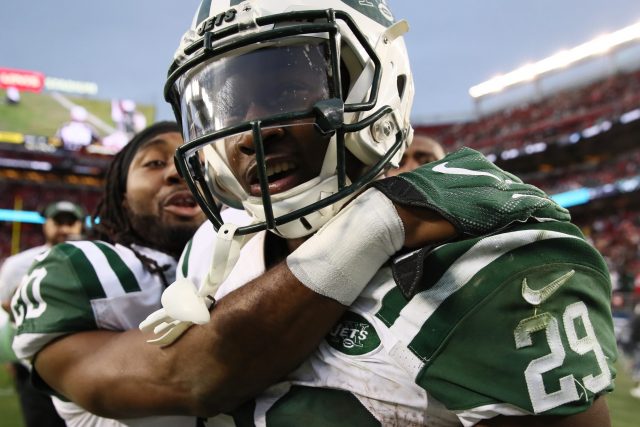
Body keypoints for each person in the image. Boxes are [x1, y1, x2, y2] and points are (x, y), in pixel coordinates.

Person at [15, 1, 617, 426]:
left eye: (283, 88)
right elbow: (189, 376)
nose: (246, 133)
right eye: (225, 105)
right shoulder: (214, 246)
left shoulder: (486, 265)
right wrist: (383, 217)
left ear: (371, 83)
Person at [11, 121, 206, 426]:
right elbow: (191, 382)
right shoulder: (80, 266)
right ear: (123, 195)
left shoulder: (254, 249)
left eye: (196, 161)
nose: (178, 172)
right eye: (155, 162)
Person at [0, 199, 84, 427]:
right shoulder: (17, 265)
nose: (64, 228)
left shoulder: (93, 260)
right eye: (58, 222)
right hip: (32, 366)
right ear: (46, 224)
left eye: (71, 222)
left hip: (81, 361)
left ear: (80, 225)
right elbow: (6, 308)